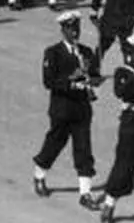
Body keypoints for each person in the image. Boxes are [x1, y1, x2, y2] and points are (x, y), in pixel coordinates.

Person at [32, 11, 103, 209]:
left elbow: (94, 75)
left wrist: (95, 80)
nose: (75, 33)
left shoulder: (87, 52)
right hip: (62, 108)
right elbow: (49, 81)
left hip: (81, 109)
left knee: (84, 149)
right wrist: (72, 82)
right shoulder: (53, 52)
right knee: (55, 143)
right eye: (71, 30)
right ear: (63, 30)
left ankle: (85, 193)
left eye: (77, 29)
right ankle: (39, 174)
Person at [92, 33, 134, 223]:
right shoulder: (123, 73)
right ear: (133, 54)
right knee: (124, 166)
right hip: (131, 124)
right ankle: (110, 202)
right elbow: (121, 92)